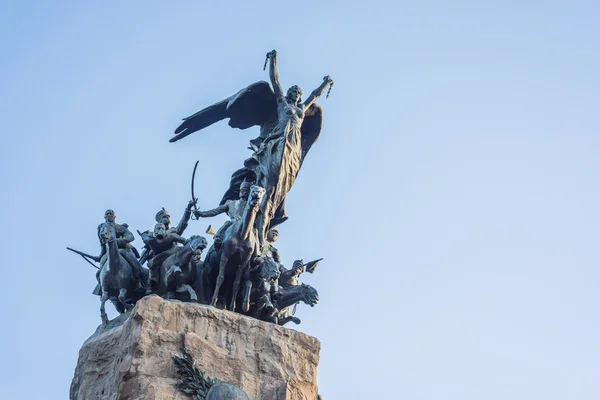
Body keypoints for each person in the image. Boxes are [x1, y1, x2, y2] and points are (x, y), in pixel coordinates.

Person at [95, 209, 146, 292]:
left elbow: (131, 237)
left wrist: (117, 240)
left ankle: (142, 281)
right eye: (107, 214)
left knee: (135, 263)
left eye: (111, 214)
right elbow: (103, 245)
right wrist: (100, 256)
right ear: (104, 216)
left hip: (123, 249)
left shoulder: (120, 227)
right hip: (108, 252)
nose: (109, 215)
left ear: (114, 216)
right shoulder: (101, 227)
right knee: (100, 270)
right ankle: (102, 288)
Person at [141, 223, 188, 291]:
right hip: (158, 257)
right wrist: (147, 236)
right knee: (152, 265)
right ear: (154, 231)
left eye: (162, 228)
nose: (160, 230)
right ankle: (150, 285)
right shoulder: (150, 239)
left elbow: (184, 241)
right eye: (158, 228)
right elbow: (144, 238)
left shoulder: (170, 235)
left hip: (171, 253)